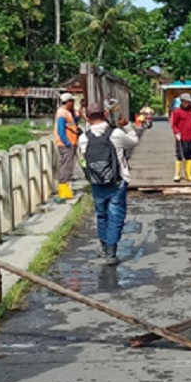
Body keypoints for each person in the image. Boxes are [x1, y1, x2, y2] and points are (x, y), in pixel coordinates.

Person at [78, 104, 139, 266]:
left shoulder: (83, 138)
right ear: (105, 114)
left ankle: (105, 246)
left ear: (87, 117)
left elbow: (83, 160)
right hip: (117, 181)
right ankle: (111, 253)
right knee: (115, 216)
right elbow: (134, 142)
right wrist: (127, 126)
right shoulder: (116, 134)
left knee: (101, 215)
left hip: (96, 182)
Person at [170, 92, 191, 183]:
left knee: (190, 155)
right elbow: (174, 124)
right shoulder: (177, 111)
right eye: (186, 102)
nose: (187, 104)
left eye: (189, 102)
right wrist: (176, 133)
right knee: (179, 155)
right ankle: (177, 174)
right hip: (181, 137)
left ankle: (188, 174)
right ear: (182, 102)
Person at [54, 92, 80, 200]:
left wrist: (78, 118)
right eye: (72, 101)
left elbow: (70, 124)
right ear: (68, 102)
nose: (73, 103)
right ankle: (63, 192)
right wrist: (67, 143)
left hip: (71, 143)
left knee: (68, 166)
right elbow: (60, 129)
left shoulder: (66, 112)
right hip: (66, 144)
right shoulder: (62, 113)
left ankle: (66, 190)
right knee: (66, 166)